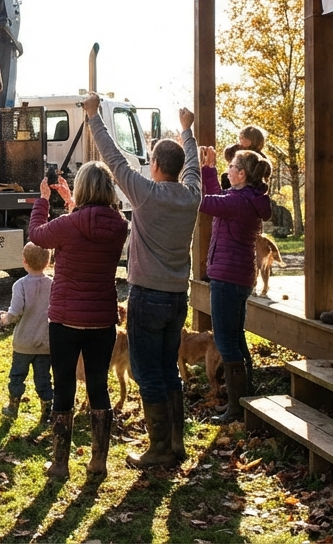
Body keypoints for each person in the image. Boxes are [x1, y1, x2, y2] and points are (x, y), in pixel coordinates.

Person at [85, 95, 201, 469]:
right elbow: (194, 168)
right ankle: (177, 443)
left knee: (148, 372)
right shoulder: (192, 197)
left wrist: (94, 116)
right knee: (169, 369)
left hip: (147, 298)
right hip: (177, 298)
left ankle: (159, 449)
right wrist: (187, 132)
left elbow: (114, 159)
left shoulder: (146, 194)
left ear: (154, 166)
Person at [27, 161, 129, 480]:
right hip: (102, 320)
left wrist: (44, 200)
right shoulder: (119, 225)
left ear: (83, 188)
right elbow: (91, 226)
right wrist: (72, 202)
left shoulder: (68, 225)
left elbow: (37, 235)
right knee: (99, 387)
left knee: (64, 388)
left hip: (65, 319)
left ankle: (60, 464)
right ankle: (98, 461)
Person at [198, 145, 274, 424]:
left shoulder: (238, 202)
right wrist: (208, 169)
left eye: (231, 167)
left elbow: (204, 202)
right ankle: (245, 400)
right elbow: (216, 199)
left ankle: (236, 407)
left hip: (227, 279)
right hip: (239, 278)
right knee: (236, 338)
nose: (227, 170)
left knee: (226, 341)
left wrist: (198, 170)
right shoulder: (248, 199)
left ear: (241, 174)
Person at [0, 242, 54, 424]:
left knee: (17, 376)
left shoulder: (20, 285)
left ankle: (13, 407)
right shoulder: (52, 284)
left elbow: (15, 311)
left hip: (23, 343)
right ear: (47, 262)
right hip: (45, 343)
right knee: (44, 378)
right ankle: (47, 411)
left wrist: (5, 319)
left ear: (24, 261)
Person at [220, 125, 268, 191]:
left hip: (250, 184)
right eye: (240, 138)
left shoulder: (258, 156)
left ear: (252, 140)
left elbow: (264, 173)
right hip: (238, 182)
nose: (241, 141)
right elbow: (228, 155)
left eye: (244, 138)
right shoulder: (238, 150)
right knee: (226, 177)